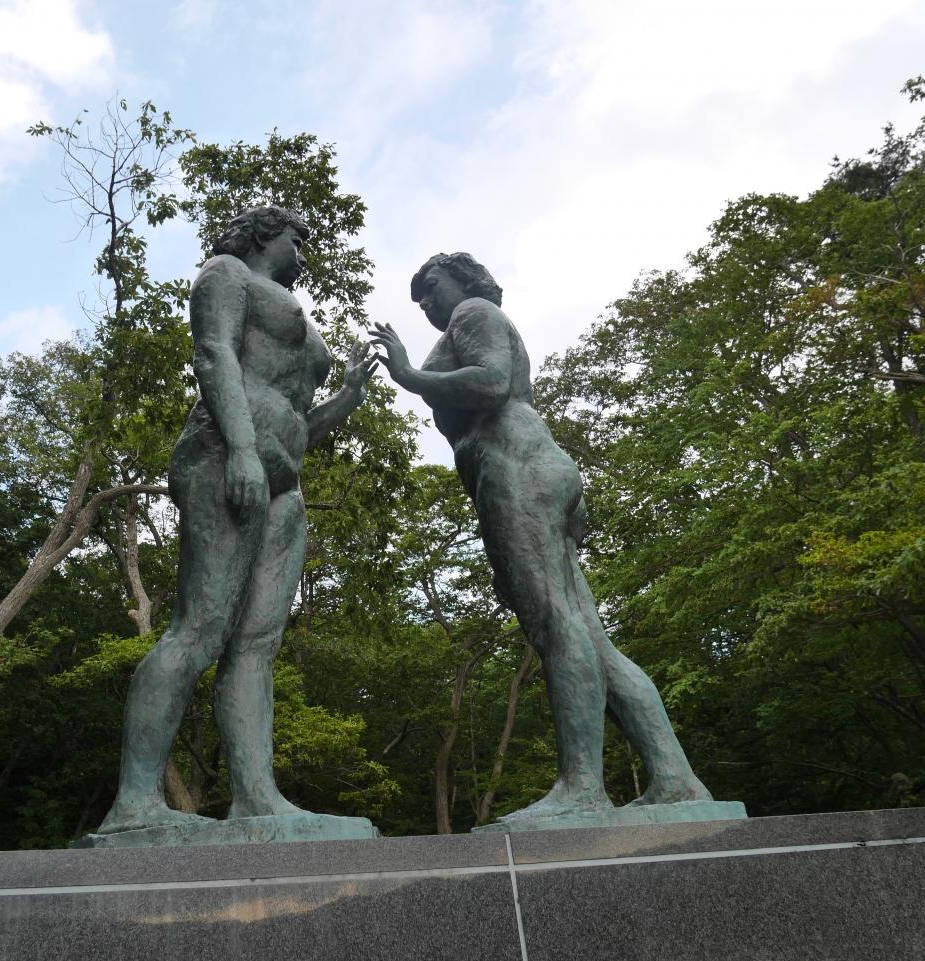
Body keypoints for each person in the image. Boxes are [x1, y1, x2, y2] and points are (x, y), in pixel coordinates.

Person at [370, 252, 711, 819]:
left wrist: (407, 375)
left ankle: (582, 789)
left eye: (430, 287)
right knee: (590, 638)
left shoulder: (473, 312)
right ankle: (675, 780)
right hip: (530, 467)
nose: (425, 302)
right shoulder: (467, 324)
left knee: (556, 625)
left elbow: (491, 384)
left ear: (465, 279)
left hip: (516, 466)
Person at [99, 206, 376, 833]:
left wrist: (348, 397)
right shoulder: (226, 273)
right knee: (198, 629)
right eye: (296, 239)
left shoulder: (292, 312)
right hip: (224, 455)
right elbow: (213, 353)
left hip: (283, 481)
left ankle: (257, 798)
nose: (304, 252)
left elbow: (299, 423)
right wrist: (243, 448)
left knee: (257, 644)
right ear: (264, 235)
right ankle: (134, 803)